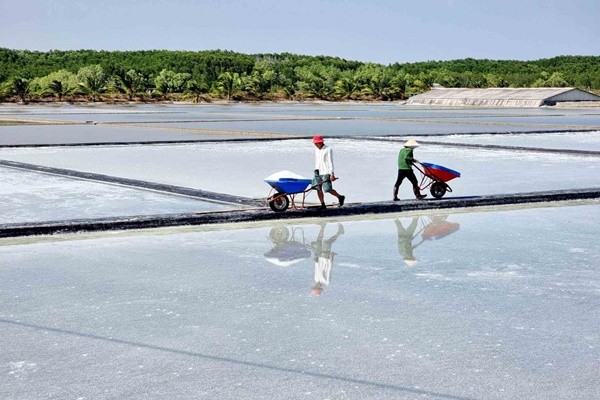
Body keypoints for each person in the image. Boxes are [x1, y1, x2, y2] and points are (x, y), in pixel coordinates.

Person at [310, 223, 345, 296]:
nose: (315, 285)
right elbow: (329, 269)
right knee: (326, 243)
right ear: (319, 288)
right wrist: (331, 258)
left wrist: (316, 260)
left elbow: (316, 269)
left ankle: (323, 226)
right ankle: (339, 232)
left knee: (318, 242)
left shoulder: (316, 279)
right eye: (316, 287)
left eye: (314, 286)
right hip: (325, 259)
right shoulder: (325, 281)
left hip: (319, 259)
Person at [312, 135, 345, 211]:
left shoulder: (328, 149)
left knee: (327, 189)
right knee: (318, 188)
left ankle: (340, 197)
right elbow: (317, 161)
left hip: (326, 171)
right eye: (315, 143)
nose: (315, 144)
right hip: (317, 171)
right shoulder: (316, 150)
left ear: (321, 142)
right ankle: (322, 204)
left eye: (316, 143)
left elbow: (330, 162)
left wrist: (332, 174)